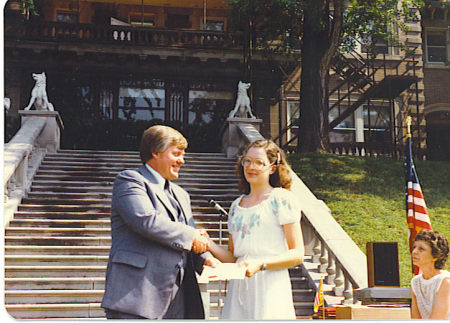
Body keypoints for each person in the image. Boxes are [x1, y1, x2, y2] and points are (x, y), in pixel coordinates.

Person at [101, 125, 217, 319]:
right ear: (155, 152)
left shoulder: (182, 195)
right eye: (176, 154)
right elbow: (145, 220)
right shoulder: (130, 180)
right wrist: (192, 236)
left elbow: (190, 237)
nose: (182, 160)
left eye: (183, 154)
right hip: (137, 295)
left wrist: (205, 259)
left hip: (179, 299)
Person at [206, 139, 304, 319]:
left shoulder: (282, 199)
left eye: (259, 162)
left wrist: (261, 264)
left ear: (272, 168)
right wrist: (209, 244)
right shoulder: (236, 206)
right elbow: (233, 256)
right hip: (239, 289)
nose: (251, 166)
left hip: (270, 285)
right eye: (247, 160)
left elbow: (297, 253)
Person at [410, 229, 450, 319]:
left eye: (421, 249)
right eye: (414, 247)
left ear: (435, 256)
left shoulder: (445, 282)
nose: (414, 252)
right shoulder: (415, 282)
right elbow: (416, 320)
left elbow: (437, 320)